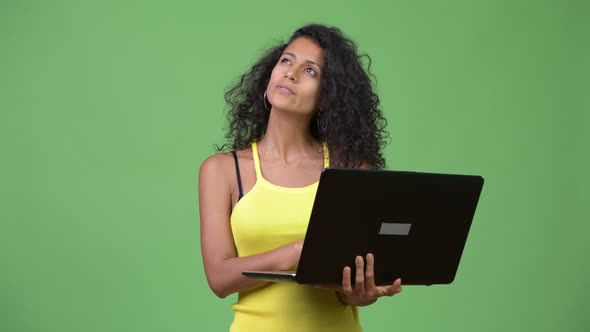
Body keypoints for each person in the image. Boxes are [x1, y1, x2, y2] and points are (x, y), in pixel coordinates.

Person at [198, 23, 402, 332]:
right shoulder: (222, 170)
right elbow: (219, 277)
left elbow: (350, 290)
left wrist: (361, 294)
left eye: (310, 71)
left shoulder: (352, 172)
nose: (291, 73)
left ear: (328, 95)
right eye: (286, 61)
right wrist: (297, 252)